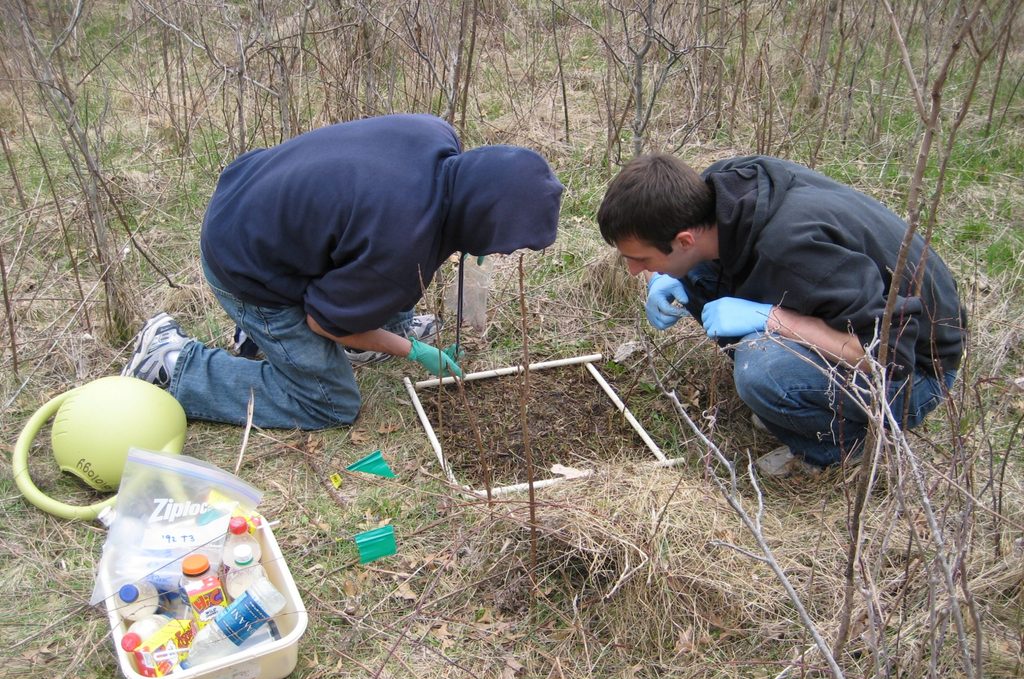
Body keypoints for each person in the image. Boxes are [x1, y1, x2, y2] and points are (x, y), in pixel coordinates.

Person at [121, 114, 564, 429]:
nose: (501, 253)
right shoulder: (399, 243)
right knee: (330, 402)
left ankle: (279, 337)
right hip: (244, 266)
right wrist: (410, 350)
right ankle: (173, 365)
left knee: (394, 271)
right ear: (483, 218)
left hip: (253, 195)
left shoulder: (435, 135)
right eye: (503, 241)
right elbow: (323, 322)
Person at [597, 153, 966, 476]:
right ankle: (799, 396)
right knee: (693, 272)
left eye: (641, 259)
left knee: (763, 369)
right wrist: (665, 275)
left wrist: (770, 318)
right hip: (852, 308)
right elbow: (694, 264)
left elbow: (883, 354)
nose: (633, 271)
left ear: (684, 240)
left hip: (916, 370)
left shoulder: (792, 251)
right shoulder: (717, 193)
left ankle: (835, 449)